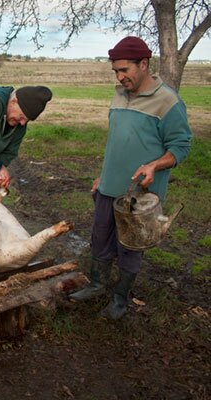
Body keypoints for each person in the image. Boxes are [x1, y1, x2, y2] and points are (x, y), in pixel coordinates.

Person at [69, 36, 192, 319]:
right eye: (116, 71)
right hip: (109, 186)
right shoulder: (119, 94)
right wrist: (103, 175)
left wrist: (154, 165)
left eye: (125, 70)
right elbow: (118, 142)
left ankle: (120, 300)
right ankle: (97, 285)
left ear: (144, 64)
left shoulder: (168, 101)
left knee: (130, 246)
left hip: (140, 196)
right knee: (99, 238)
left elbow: (181, 147)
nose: (120, 76)